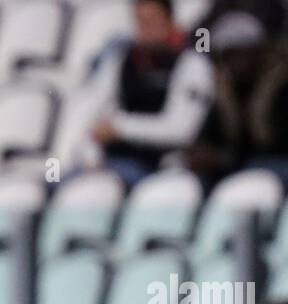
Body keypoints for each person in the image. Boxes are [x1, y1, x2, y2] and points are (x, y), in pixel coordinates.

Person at [83, 0, 215, 187]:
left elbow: (180, 130)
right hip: (115, 161)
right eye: (140, 21)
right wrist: (89, 152)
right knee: (63, 182)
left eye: (152, 20)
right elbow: (90, 111)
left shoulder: (192, 64)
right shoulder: (121, 58)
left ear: (169, 20)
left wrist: (120, 127)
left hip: (163, 168)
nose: (146, 28)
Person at [187, 12, 288, 189]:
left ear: (259, 50)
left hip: (285, 161)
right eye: (229, 55)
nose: (237, 61)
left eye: (243, 52)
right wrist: (202, 152)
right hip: (240, 163)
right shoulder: (226, 88)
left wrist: (227, 158)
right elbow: (211, 134)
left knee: (252, 176)